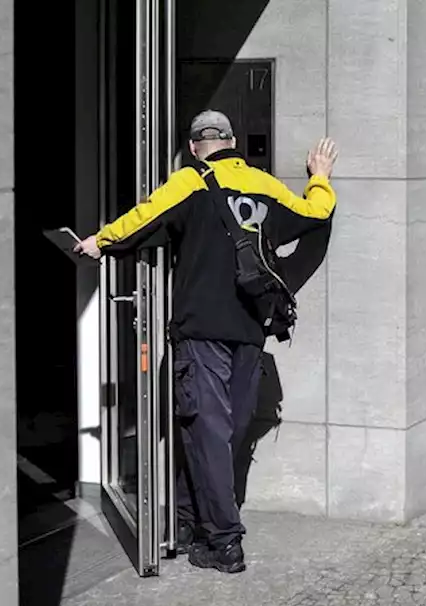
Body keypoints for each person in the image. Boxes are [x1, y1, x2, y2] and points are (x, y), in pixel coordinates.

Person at [74, 111, 339, 574]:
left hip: (201, 332)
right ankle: (187, 518)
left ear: (195, 147)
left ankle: (224, 542)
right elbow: (318, 216)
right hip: (250, 331)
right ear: (233, 141)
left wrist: (102, 242)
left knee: (206, 431)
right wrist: (319, 178)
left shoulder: (188, 182)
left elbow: (142, 220)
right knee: (224, 433)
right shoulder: (265, 185)